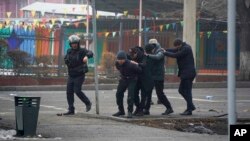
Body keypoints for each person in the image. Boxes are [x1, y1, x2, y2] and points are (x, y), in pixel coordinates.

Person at [163, 38, 196, 115]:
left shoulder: (186, 49)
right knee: (183, 91)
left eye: (177, 47)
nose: (176, 48)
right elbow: (174, 50)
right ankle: (190, 106)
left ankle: (189, 109)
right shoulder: (182, 47)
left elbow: (176, 55)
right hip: (186, 73)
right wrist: (164, 49)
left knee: (186, 91)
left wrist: (165, 53)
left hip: (188, 73)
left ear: (179, 45)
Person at [62, 34, 93, 115]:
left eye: (75, 43)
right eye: (72, 43)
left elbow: (91, 53)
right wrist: (66, 60)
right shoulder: (69, 51)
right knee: (69, 92)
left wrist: (87, 56)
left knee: (77, 90)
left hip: (79, 74)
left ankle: (88, 103)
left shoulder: (82, 51)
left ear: (78, 43)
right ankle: (71, 109)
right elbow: (66, 58)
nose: (74, 45)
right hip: (71, 75)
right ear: (70, 44)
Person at [144, 39, 174, 115]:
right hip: (152, 75)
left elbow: (157, 57)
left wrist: (148, 55)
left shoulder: (160, 51)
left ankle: (169, 108)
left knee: (160, 94)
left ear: (155, 45)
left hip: (158, 76)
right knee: (148, 93)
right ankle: (146, 109)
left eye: (152, 45)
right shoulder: (151, 51)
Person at [113, 50, 142, 118]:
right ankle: (121, 110)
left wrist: (135, 76)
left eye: (121, 59)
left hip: (132, 80)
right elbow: (119, 69)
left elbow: (140, 70)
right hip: (123, 79)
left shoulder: (131, 64)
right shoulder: (117, 63)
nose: (120, 61)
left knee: (130, 96)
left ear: (125, 59)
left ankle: (129, 111)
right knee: (118, 94)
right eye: (118, 59)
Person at [128, 46, 153, 116]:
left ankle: (141, 110)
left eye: (133, 56)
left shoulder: (143, 56)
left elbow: (144, 65)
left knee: (143, 95)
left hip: (145, 78)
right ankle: (138, 107)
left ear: (136, 53)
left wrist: (136, 63)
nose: (132, 57)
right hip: (137, 78)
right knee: (135, 93)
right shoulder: (131, 55)